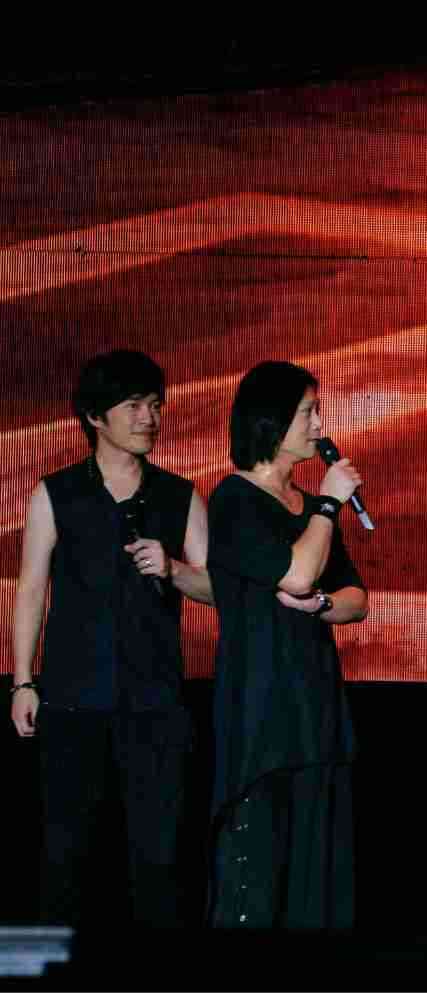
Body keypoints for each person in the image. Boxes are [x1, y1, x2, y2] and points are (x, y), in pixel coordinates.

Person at [9, 349, 212, 927]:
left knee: (159, 858)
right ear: (95, 416)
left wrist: (175, 569)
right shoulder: (56, 493)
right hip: (72, 700)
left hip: (156, 705)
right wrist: (23, 682)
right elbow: (31, 590)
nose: (149, 417)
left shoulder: (179, 495)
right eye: (134, 406)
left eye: (155, 405)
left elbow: (217, 588)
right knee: (65, 855)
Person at [205, 360, 368, 929]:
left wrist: (322, 604)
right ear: (270, 421)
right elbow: (296, 574)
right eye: (308, 412)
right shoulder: (234, 501)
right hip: (262, 714)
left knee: (315, 885)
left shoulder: (307, 505)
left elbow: (354, 599)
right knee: (256, 881)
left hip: (316, 709)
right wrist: (329, 504)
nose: (320, 425)